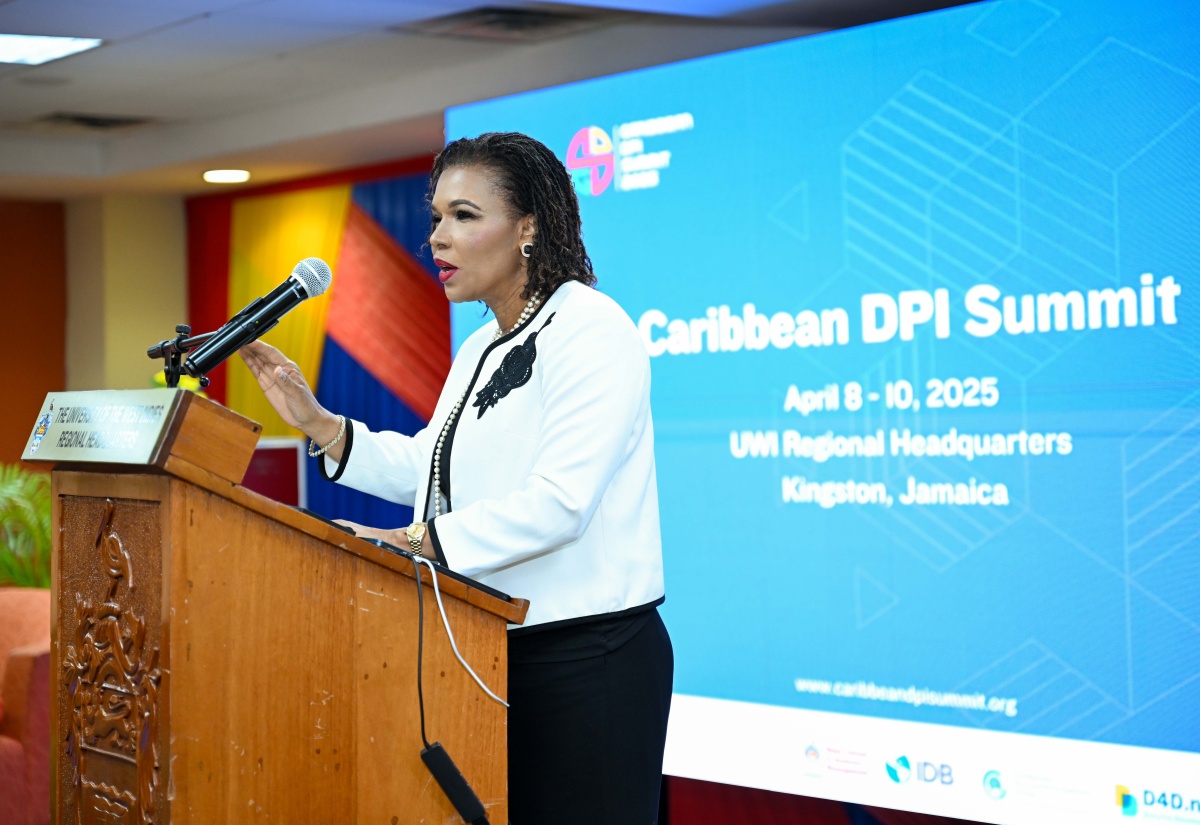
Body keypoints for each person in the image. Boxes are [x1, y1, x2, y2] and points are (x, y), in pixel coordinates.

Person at [240, 132, 672, 824]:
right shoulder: (480, 342)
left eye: (464, 216)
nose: (438, 237)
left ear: (528, 227)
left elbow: (560, 504)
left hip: (589, 663)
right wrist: (323, 424)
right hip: (488, 647)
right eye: (437, 216)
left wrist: (415, 542)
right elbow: (436, 470)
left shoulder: (591, 328)